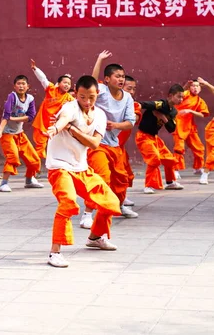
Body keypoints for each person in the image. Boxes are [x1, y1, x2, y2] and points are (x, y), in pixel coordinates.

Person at [45, 75, 121, 268]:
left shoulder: (101, 116)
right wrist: (55, 128)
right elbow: (62, 120)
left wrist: (72, 130)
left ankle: (95, 237)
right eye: (82, 97)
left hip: (81, 168)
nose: (87, 102)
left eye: (92, 97)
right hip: (60, 166)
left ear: (98, 95)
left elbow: (95, 144)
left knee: (110, 201)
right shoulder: (70, 107)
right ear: (75, 94)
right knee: (68, 202)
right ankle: (55, 252)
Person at [81, 54, 138, 228]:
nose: (121, 79)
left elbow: (130, 122)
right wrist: (99, 60)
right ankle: (87, 214)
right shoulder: (102, 92)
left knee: (121, 179)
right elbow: (90, 81)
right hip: (97, 143)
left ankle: (118, 205)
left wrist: (115, 125)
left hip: (114, 144)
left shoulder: (127, 98)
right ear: (107, 79)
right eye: (117, 76)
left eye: (122, 76)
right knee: (101, 176)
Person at [0, 75, 43, 192]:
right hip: (7, 134)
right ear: (14, 86)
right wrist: (0, 130)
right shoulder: (12, 97)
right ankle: (3, 184)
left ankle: (29, 180)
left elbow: (30, 116)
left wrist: (14, 119)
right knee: (13, 157)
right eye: (19, 84)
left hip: (19, 133)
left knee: (34, 159)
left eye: (23, 84)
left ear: (28, 86)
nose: (21, 86)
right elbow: (6, 115)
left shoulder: (30, 99)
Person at [135, 84, 185, 194]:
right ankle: (149, 185)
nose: (181, 100)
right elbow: (144, 104)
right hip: (143, 136)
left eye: (182, 97)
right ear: (170, 96)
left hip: (155, 138)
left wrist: (163, 118)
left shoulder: (173, 112)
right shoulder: (160, 104)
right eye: (179, 97)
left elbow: (172, 129)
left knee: (169, 159)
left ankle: (170, 182)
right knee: (154, 159)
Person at [30, 59, 73, 160]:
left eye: (69, 84)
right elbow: (43, 79)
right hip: (42, 124)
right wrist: (35, 69)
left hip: (56, 127)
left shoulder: (69, 98)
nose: (67, 85)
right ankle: (34, 171)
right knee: (40, 148)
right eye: (65, 82)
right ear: (59, 83)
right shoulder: (51, 89)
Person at [173, 79, 210, 180]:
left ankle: (198, 167)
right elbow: (179, 94)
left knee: (199, 148)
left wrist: (190, 111)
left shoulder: (199, 101)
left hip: (190, 126)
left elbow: (203, 114)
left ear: (200, 88)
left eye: (197, 86)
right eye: (193, 86)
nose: (195, 88)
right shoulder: (185, 94)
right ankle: (175, 169)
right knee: (179, 148)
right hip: (178, 124)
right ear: (190, 88)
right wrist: (186, 85)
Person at [118, 75, 142, 207]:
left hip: (119, 147)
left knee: (125, 174)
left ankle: (122, 197)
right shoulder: (109, 101)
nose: (132, 92)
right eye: (129, 88)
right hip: (104, 144)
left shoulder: (134, 105)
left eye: (134, 89)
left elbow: (135, 119)